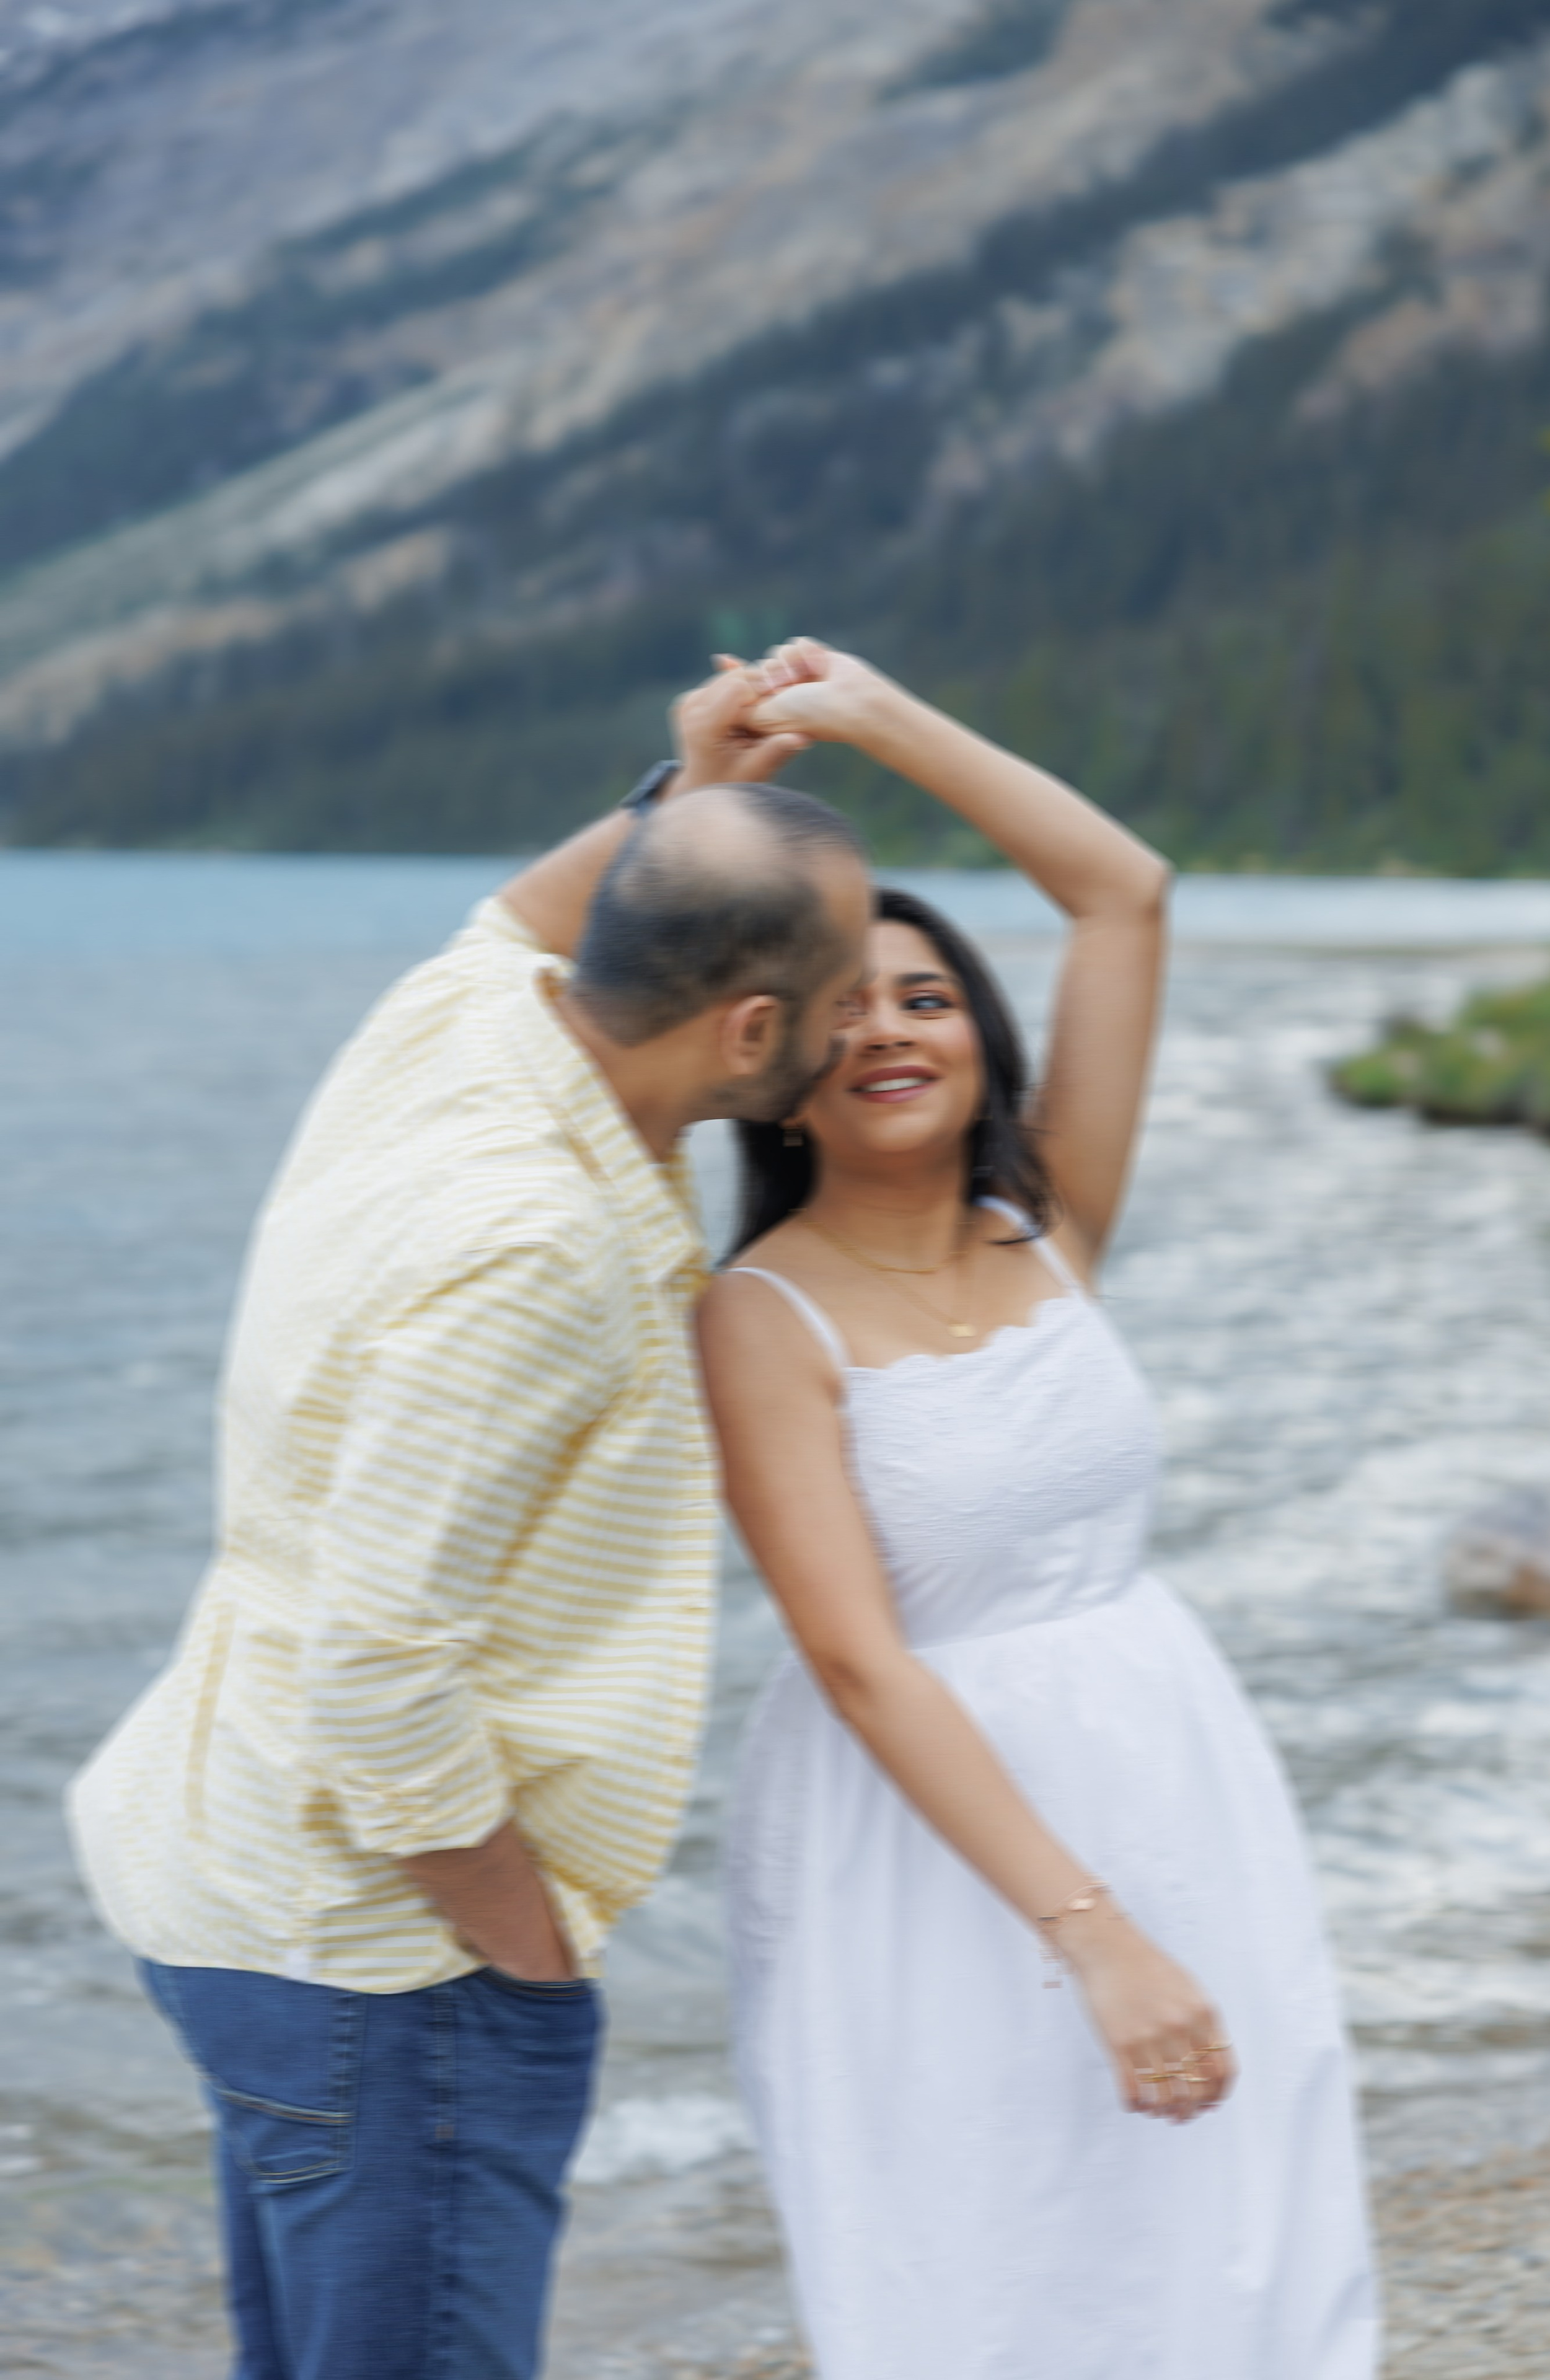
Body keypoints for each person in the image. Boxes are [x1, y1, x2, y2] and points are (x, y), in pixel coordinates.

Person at [66, 661, 874, 2380]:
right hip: (383, 1966)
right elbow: (379, 1671)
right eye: (840, 990)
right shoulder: (539, 1249)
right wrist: (521, 1961)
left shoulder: (472, 1021)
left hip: (236, 1884)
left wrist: (682, 784)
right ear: (749, 1033)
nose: (865, 1022)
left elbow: (528, 907)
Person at [699, 641, 1379, 2379]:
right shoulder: (759, 1318)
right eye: (836, 1005)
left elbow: (1122, 891)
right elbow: (859, 1665)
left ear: (980, 1037)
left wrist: (870, 719)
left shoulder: (1050, 1223)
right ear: (771, 1064)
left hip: (1169, 1758)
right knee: (988, 2246)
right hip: (923, 1832)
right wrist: (1092, 1938)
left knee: (1230, 2215)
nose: (884, 1030)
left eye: (921, 996)